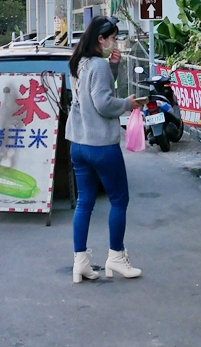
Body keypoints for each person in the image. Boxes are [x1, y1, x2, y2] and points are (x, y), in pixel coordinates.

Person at [65, 15, 144, 284]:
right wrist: (128, 103)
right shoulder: (97, 64)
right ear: (101, 39)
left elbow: (92, 93)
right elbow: (103, 103)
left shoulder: (80, 62)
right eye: (112, 37)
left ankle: (81, 263)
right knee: (119, 200)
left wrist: (114, 67)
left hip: (79, 142)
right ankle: (116, 257)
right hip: (101, 145)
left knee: (85, 202)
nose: (115, 42)